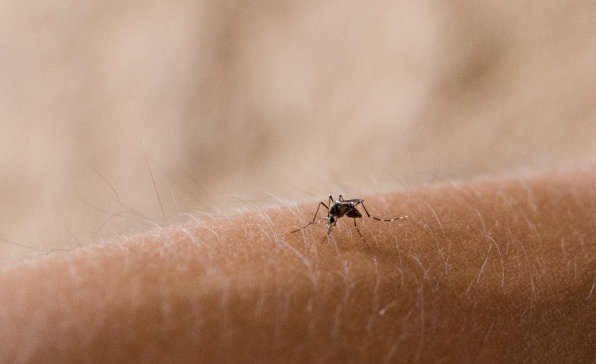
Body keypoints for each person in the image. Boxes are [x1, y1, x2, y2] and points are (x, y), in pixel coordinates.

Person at [0, 166, 594, 363]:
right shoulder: (329, 212)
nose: (333, 220)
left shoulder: (345, 212)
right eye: (332, 218)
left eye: (333, 217)